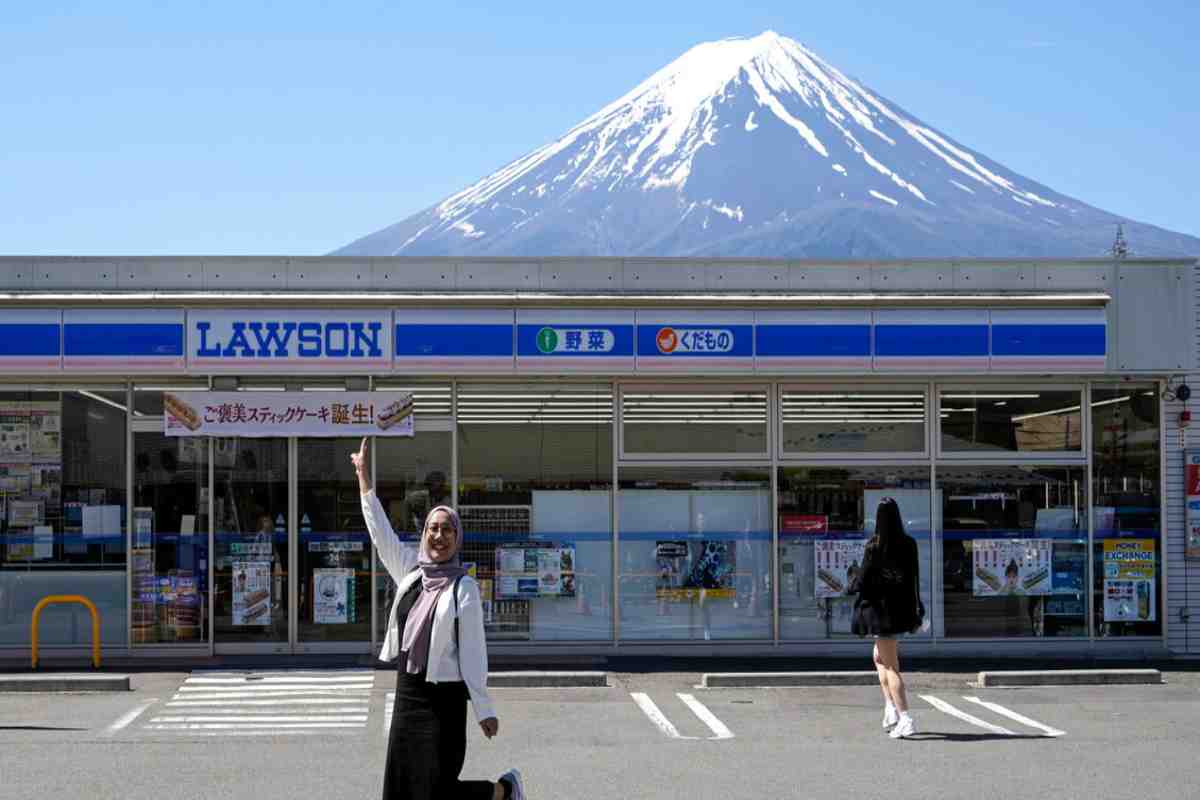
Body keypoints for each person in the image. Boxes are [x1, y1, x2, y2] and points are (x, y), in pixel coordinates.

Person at [352, 437, 526, 800]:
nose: (439, 535)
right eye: (434, 528)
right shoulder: (412, 572)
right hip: (408, 692)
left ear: (457, 537)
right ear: (425, 534)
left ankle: (503, 791)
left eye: (447, 529)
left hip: (443, 700)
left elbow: (474, 654)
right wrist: (363, 478)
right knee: (402, 784)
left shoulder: (464, 587)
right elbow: (381, 535)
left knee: (437, 789)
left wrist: (483, 708)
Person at [849, 498, 923, 740]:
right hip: (901, 610)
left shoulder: (874, 546)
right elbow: (914, 579)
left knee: (891, 666)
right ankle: (890, 708)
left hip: (880, 613)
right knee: (878, 656)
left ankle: (905, 718)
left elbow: (862, 580)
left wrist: (850, 583)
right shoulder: (909, 544)